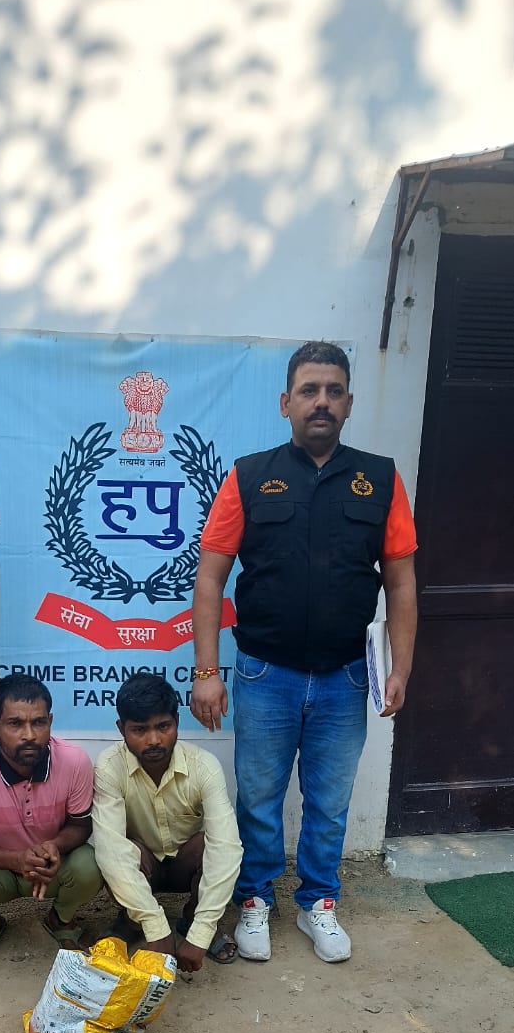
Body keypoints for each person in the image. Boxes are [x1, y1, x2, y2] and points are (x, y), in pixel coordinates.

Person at [190, 340, 417, 964]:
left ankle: (319, 901)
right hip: (266, 673)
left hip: (347, 675)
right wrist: (206, 671)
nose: (322, 402)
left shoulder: (381, 479)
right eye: (309, 391)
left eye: (333, 391)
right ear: (285, 402)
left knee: (329, 802)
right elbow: (210, 576)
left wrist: (400, 667)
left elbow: (400, 582)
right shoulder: (247, 475)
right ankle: (255, 900)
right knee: (259, 796)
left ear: (349, 403)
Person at [0, 675, 103, 963]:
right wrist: (17, 860)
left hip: (51, 866)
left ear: (50, 721)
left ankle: (61, 919)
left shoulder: (75, 762)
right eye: (15, 724)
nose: (29, 735)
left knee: (93, 865)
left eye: (39, 722)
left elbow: (80, 826)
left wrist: (53, 847)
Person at [92, 673, 242, 972]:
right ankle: (134, 920)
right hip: (145, 865)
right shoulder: (109, 766)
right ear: (121, 729)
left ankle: (193, 919)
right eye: (139, 729)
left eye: (163, 726)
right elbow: (110, 850)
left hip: (184, 865)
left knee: (214, 846)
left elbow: (226, 848)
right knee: (116, 850)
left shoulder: (204, 766)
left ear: (177, 721)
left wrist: (202, 933)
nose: (153, 740)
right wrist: (157, 929)